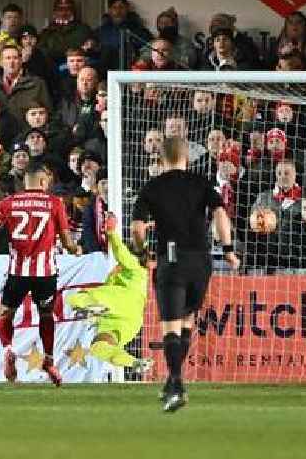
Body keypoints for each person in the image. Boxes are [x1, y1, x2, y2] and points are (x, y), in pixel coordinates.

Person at [131, 137, 239, 413]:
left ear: (161, 158)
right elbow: (220, 214)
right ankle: (172, 382)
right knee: (187, 321)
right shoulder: (201, 182)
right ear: (186, 157)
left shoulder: (152, 187)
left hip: (172, 259)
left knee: (170, 326)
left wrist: (141, 252)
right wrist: (227, 249)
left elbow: (137, 230)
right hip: (201, 262)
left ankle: (177, 385)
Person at [0, 162, 81, 386]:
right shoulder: (54, 203)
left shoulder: (8, 203)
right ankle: (50, 360)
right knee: (46, 315)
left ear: (26, 181)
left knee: (4, 313)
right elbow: (68, 243)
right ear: (43, 181)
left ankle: (8, 348)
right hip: (46, 273)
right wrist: (75, 249)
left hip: (18, 272)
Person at [69, 213, 152, 371]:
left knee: (75, 298)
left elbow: (120, 252)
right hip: (130, 320)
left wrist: (112, 232)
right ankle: (134, 363)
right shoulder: (127, 272)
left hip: (122, 301)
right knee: (98, 347)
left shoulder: (134, 266)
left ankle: (92, 308)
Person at [0, 45, 52, 125]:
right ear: (1, 62)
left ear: (21, 61)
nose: (11, 62)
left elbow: (48, 113)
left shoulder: (37, 83)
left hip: (27, 134)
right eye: (8, 58)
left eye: (15, 58)